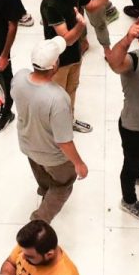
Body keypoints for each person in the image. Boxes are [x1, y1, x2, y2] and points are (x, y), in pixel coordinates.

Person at [14, 38, 85, 220]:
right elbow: (64, 141)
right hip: (53, 156)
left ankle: (45, 189)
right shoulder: (58, 98)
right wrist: (78, 163)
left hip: (27, 145)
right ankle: (39, 220)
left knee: (41, 172)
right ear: (55, 66)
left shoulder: (20, 77)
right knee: (63, 186)